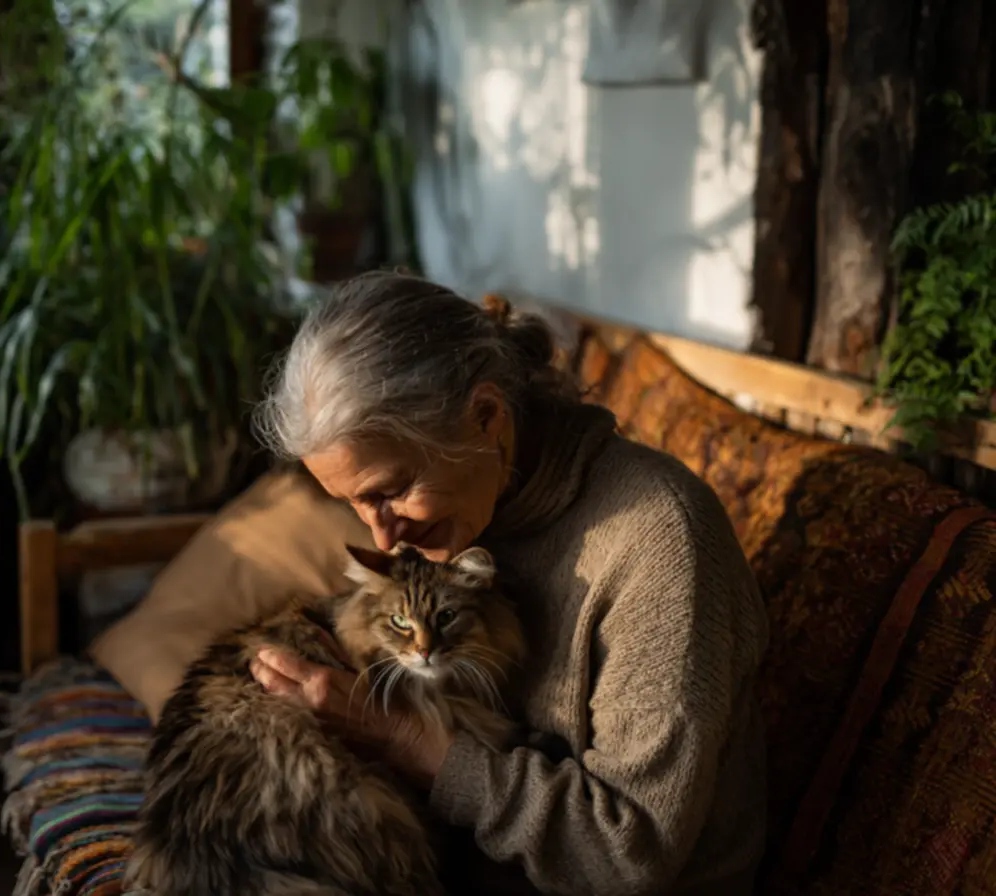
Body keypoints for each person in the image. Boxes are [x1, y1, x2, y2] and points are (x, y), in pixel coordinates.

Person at [248, 271, 769, 895]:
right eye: (355, 504)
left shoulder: (656, 541)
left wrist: (405, 740)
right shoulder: (466, 510)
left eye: (389, 493)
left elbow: (629, 851)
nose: (384, 538)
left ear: (487, 417)